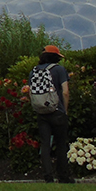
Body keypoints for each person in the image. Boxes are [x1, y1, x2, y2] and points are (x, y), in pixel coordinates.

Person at [31, 45, 73, 183]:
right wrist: (65, 110)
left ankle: (48, 176)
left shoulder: (34, 71)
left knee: (45, 144)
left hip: (41, 111)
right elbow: (65, 91)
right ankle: (63, 176)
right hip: (57, 111)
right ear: (56, 57)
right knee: (61, 143)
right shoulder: (59, 70)